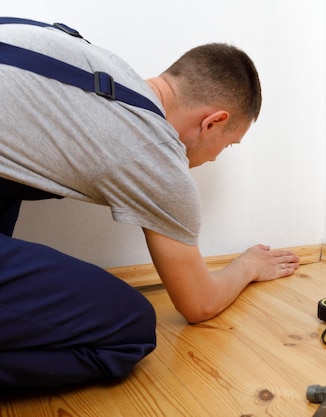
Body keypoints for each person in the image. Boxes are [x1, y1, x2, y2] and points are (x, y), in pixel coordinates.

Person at [0, 19, 300, 387]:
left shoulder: (101, 67)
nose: (218, 156)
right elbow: (198, 304)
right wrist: (248, 266)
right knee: (131, 326)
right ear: (213, 122)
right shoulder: (156, 153)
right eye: (228, 143)